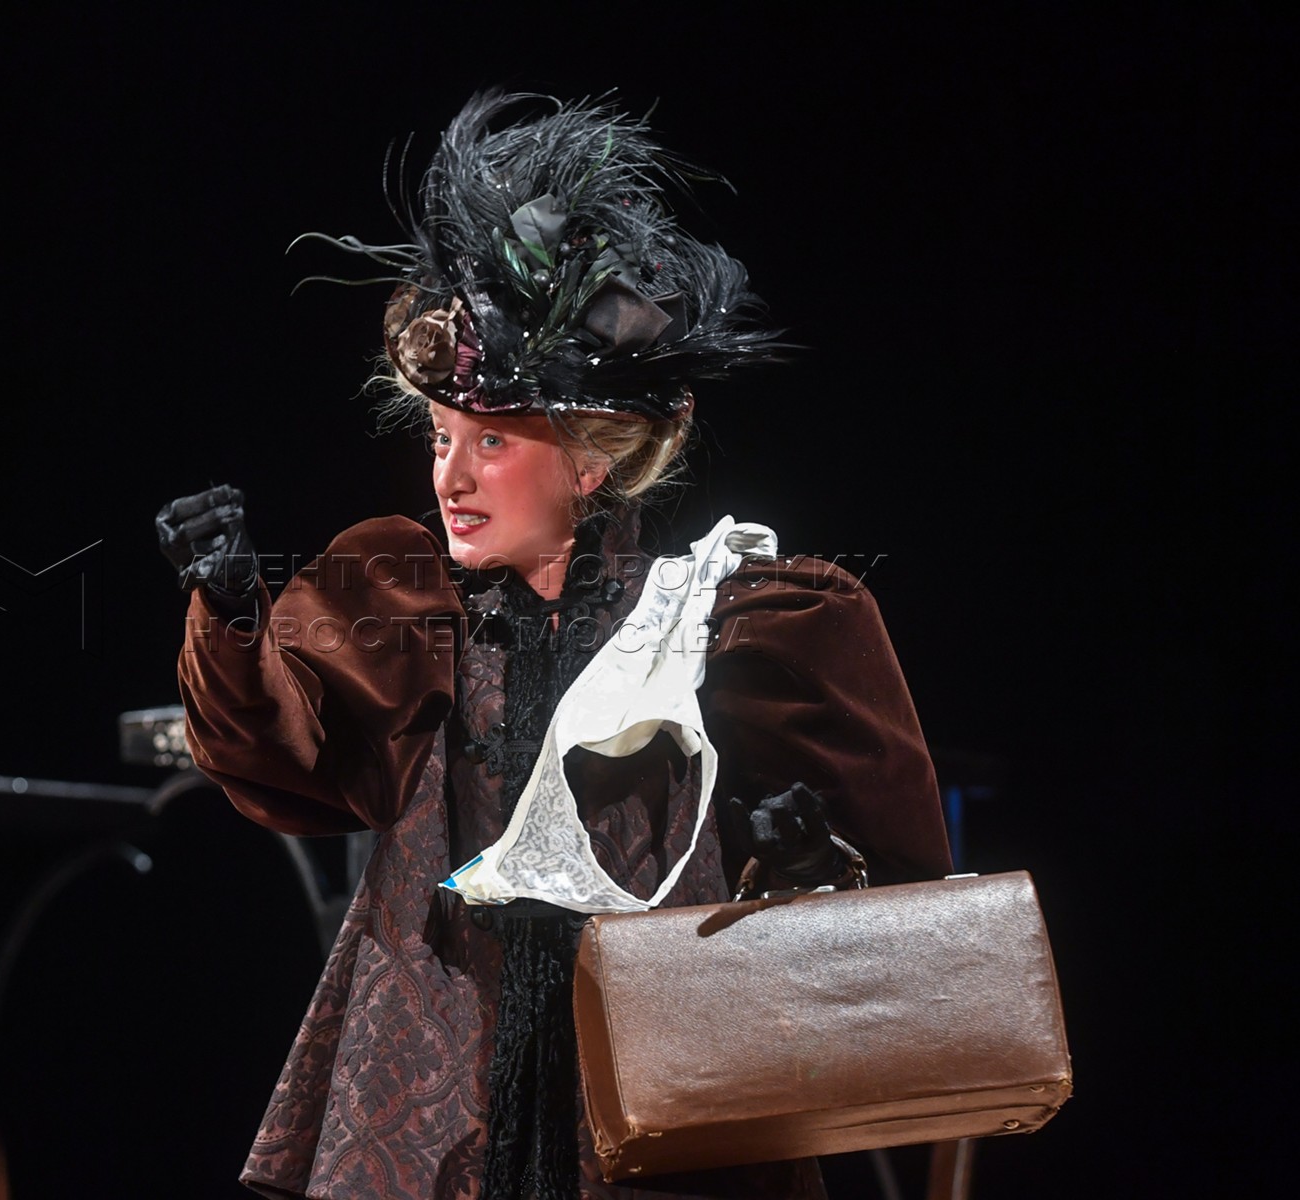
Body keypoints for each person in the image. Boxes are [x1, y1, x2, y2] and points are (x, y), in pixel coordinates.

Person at [157, 91, 952, 1200]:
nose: (451, 476)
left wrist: (804, 864)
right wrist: (235, 608)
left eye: (491, 442)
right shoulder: (403, 606)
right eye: (441, 438)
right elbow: (285, 755)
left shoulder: (724, 624)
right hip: (439, 1097)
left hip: (654, 1106)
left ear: (587, 461)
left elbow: (893, 919)